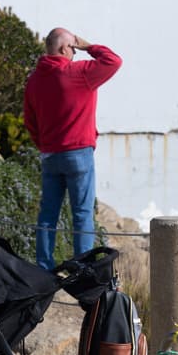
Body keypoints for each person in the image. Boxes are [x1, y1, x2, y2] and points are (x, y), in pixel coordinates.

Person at [22, 27, 122, 270]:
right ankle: (83, 268)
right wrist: (88, 46)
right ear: (65, 48)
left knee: (48, 216)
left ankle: (44, 267)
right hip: (78, 153)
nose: (75, 54)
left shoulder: (35, 80)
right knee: (82, 215)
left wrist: (44, 144)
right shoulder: (79, 73)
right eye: (74, 49)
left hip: (50, 155)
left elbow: (30, 121)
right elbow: (113, 61)